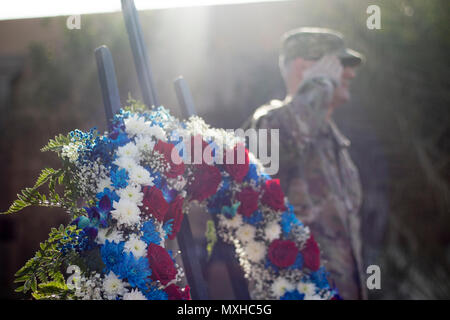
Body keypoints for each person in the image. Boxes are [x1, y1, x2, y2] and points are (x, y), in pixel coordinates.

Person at [243, 27, 367, 299]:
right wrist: (321, 82)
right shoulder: (271, 123)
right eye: (340, 64)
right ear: (304, 66)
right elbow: (287, 138)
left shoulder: (334, 140)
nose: (350, 74)